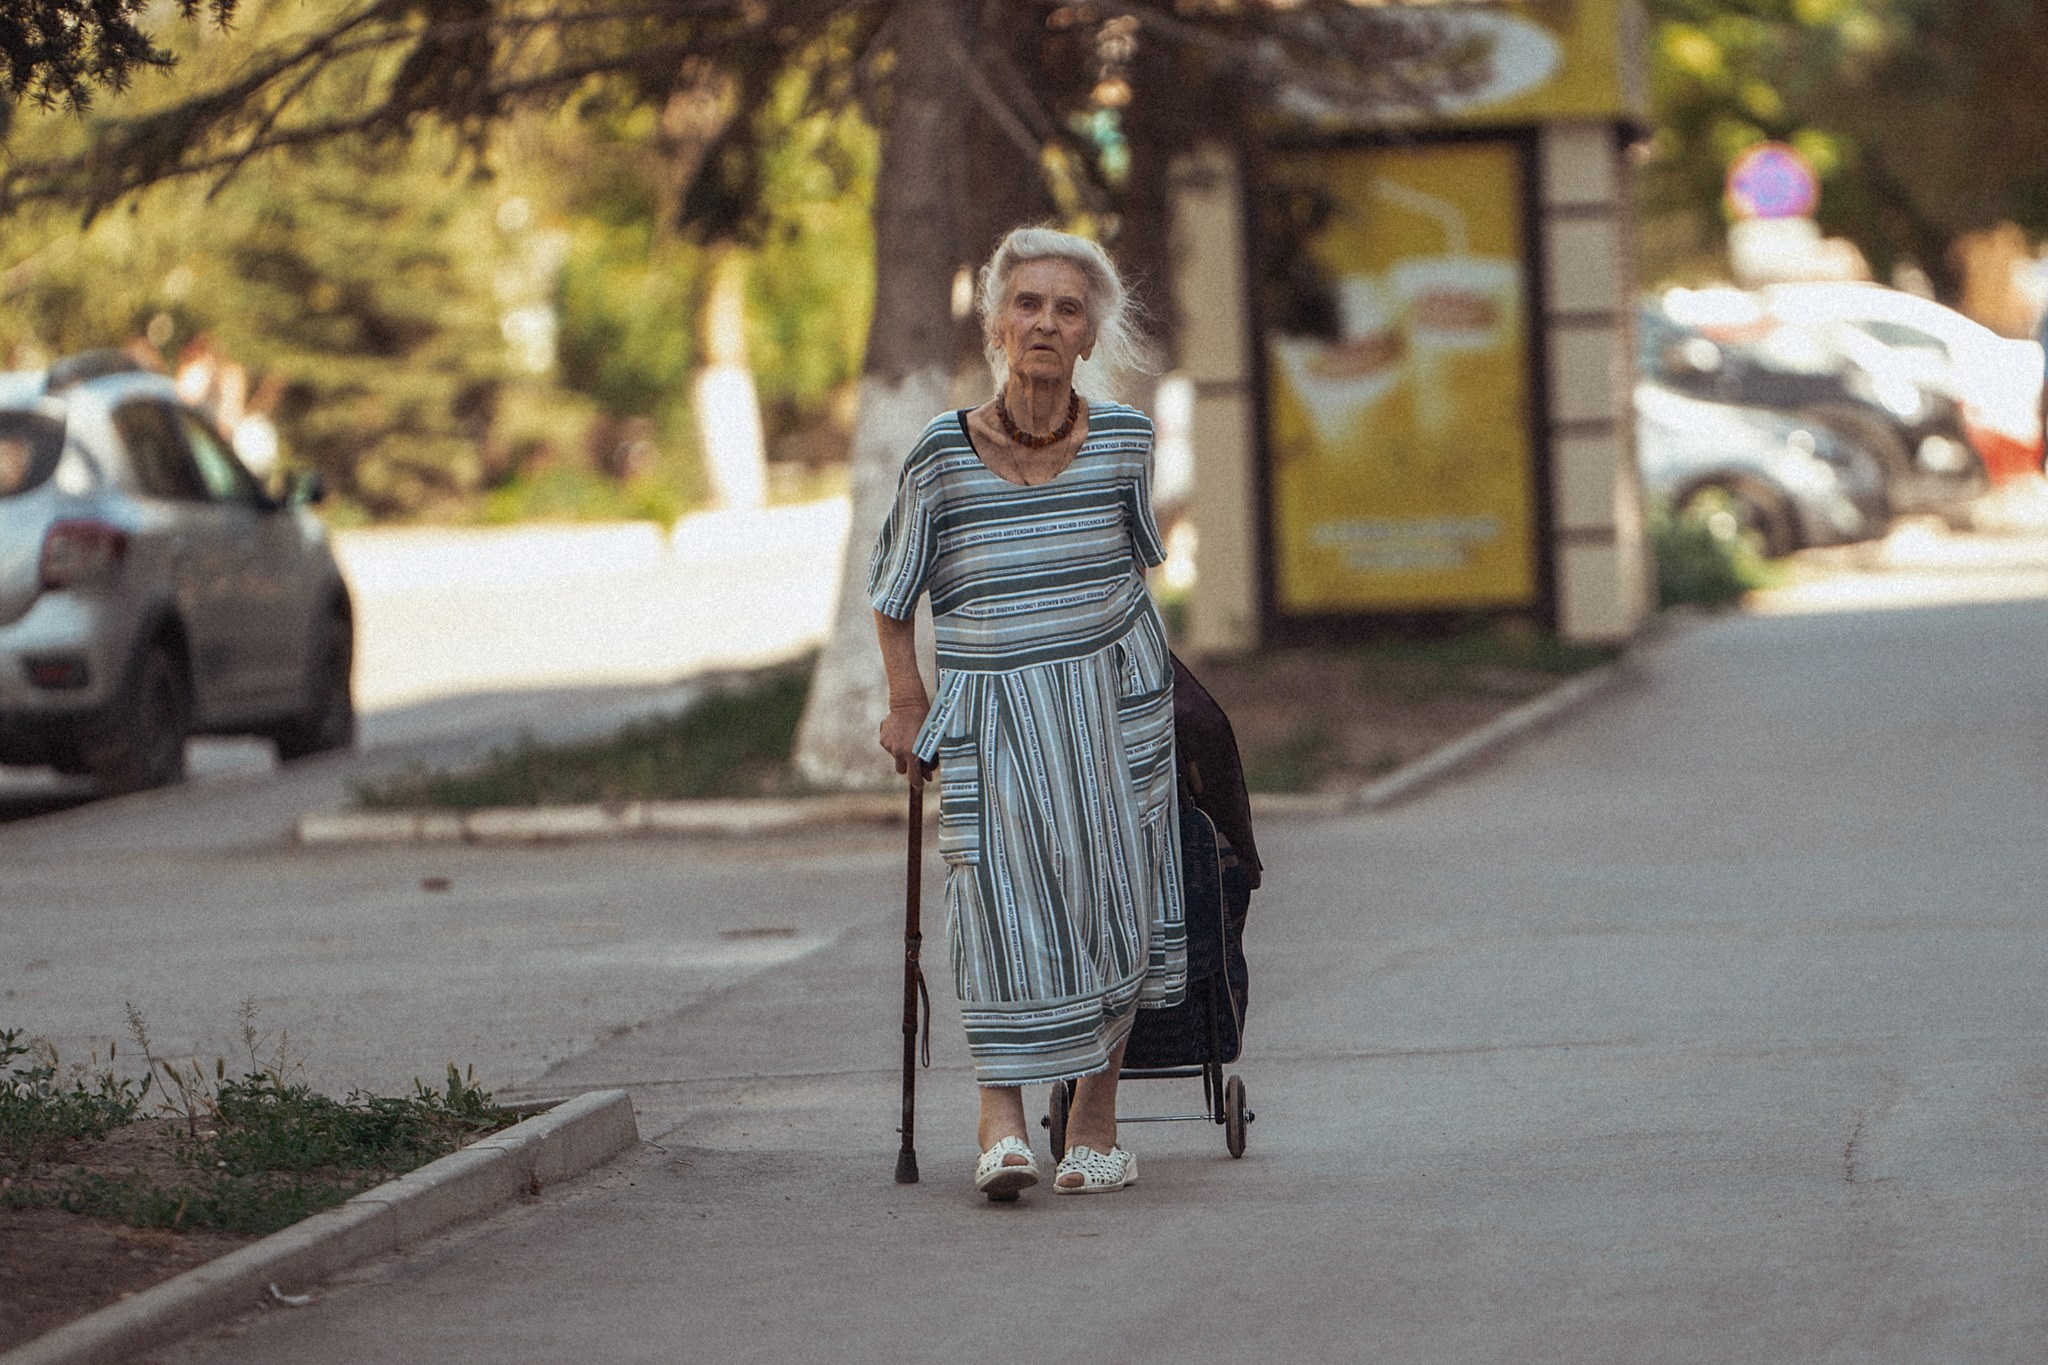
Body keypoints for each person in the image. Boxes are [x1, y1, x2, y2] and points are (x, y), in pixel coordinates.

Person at [870, 226, 1185, 1200]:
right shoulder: (942, 454)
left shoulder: (1126, 441)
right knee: (995, 909)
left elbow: (1135, 574)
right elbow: (892, 595)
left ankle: (1094, 1123)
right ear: (997, 327)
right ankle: (999, 1119)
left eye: (1067, 308)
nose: (1045, 322)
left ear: (1089, 337)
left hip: (1107, 710)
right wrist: (904, 700)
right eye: (1027, 304)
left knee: (1114, 909)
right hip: (987, 717)